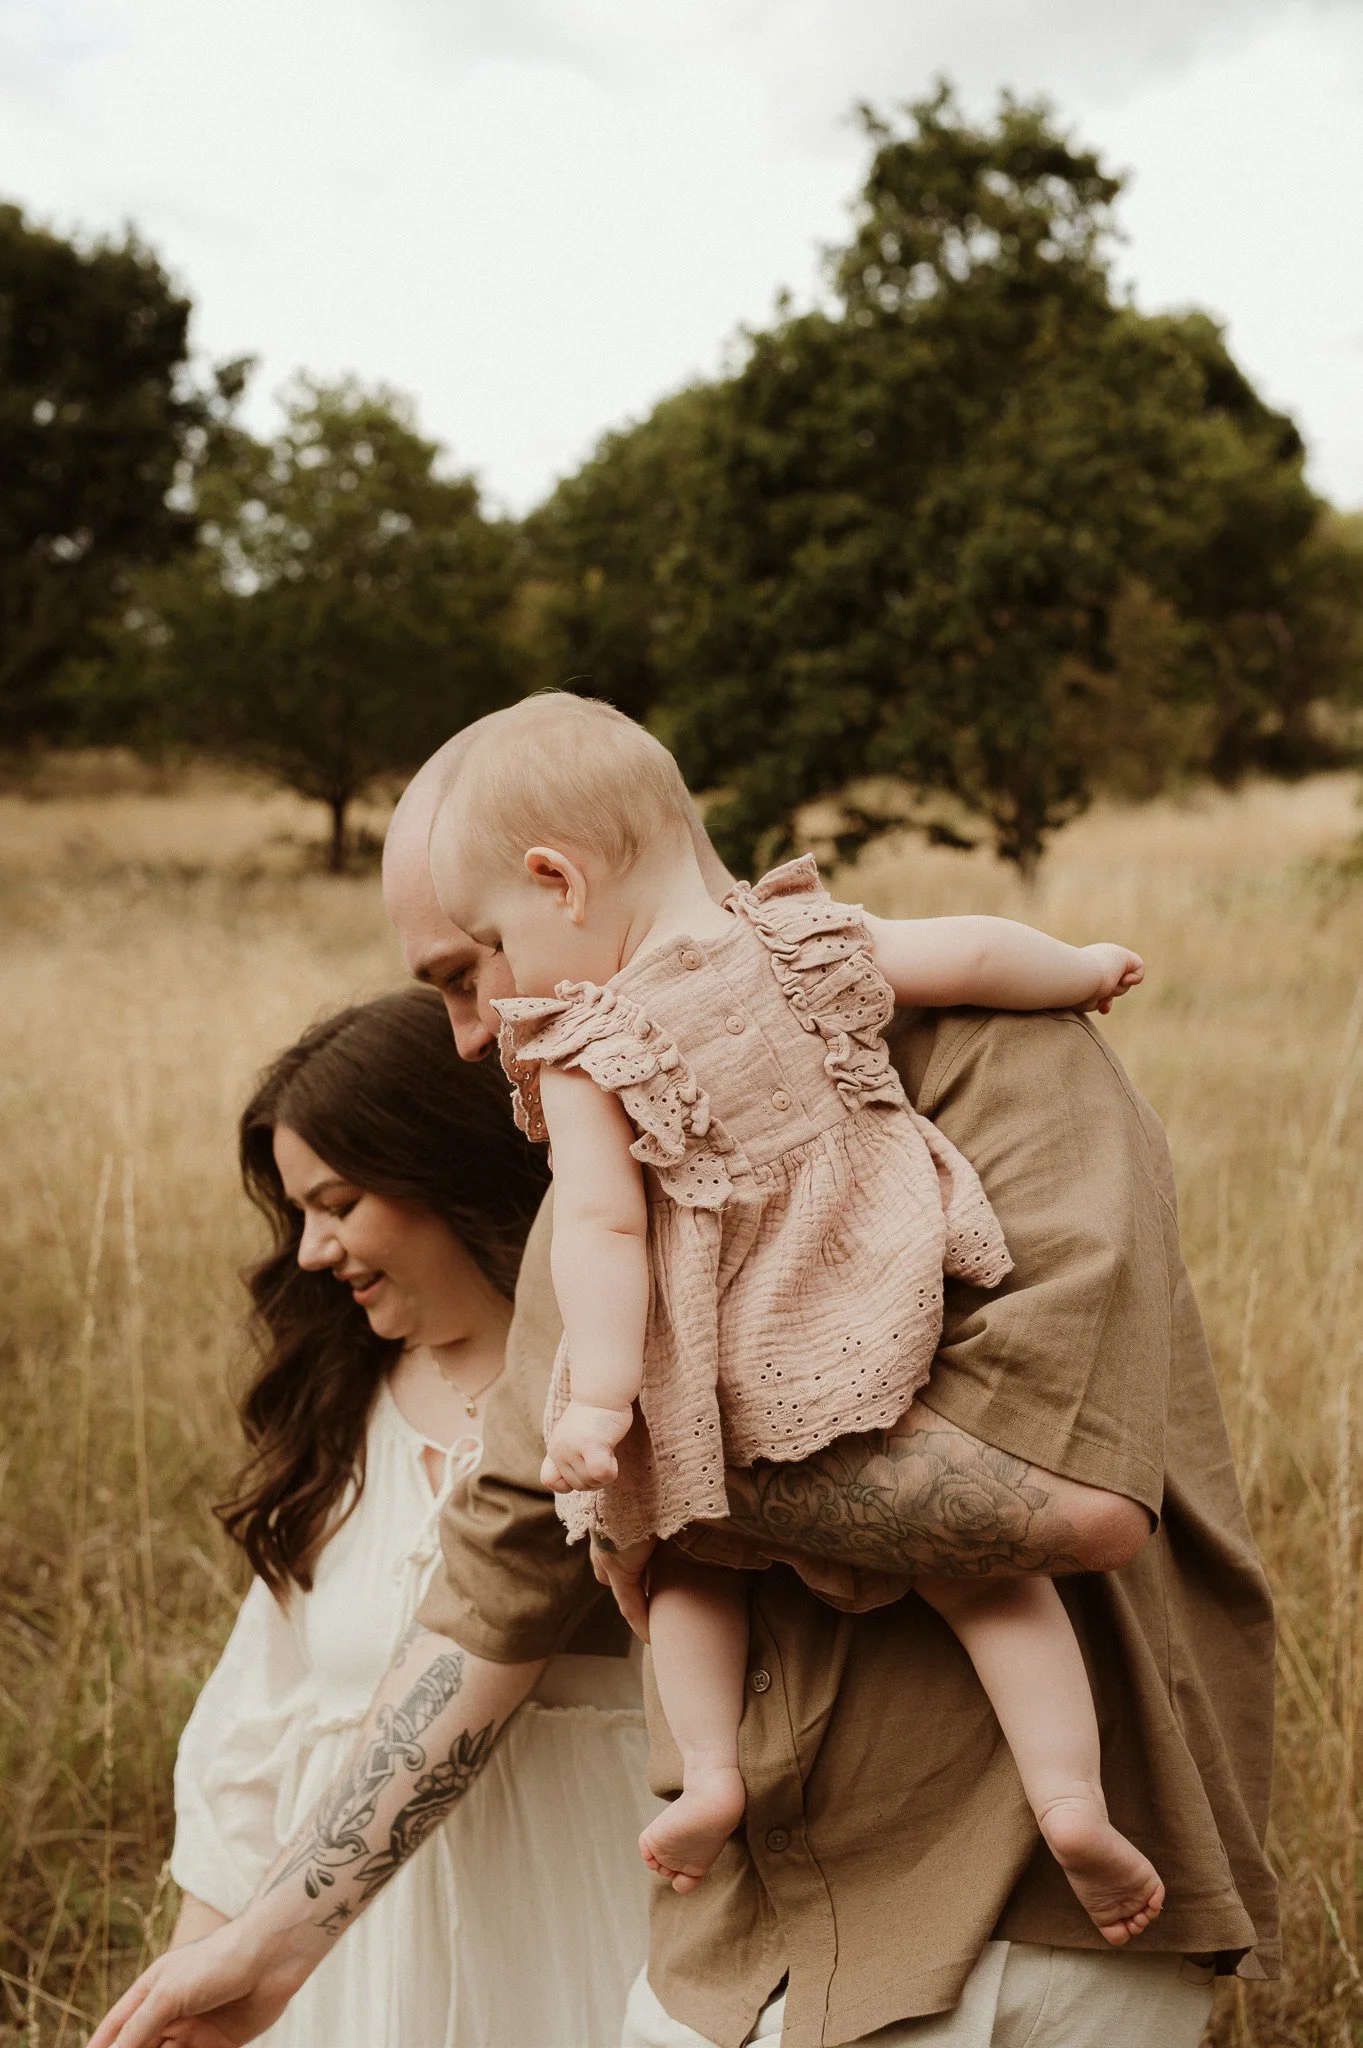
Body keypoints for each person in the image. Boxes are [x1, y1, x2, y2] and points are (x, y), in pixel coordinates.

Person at [91, 737, 1277, 2048]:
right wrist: (269, 1948)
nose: (470, 1037)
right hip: (724, 1951)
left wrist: (668, 1470)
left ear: (557, 884)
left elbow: (1064, 1501)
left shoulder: (991, 1055)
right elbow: (497, 1574)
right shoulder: (596, 1176)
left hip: (1008, 1918)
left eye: (466, 970)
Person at [424, 691, 1159, 1943]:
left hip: (717, 1352)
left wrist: (604, 1403)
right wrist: (1079, 967)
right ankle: (1073, 1800)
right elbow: (976, 954)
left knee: (677, 1557)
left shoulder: (585, 1045)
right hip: (869, 1296)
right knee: (987, 1586)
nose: (496, 993)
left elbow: (604, 1233)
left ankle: (709, 1770)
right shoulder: (799, 938)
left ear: (558, 879)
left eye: (491, 944)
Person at [163, 988, 659, 2048]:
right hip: (351, 1985)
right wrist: (196, 1967)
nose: (309, 1248)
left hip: (594, 1955)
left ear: (445, 1168)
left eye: (337, 1202)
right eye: (298, 1212)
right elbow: (254, 1730)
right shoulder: (336, 1418)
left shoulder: (620, 1397)